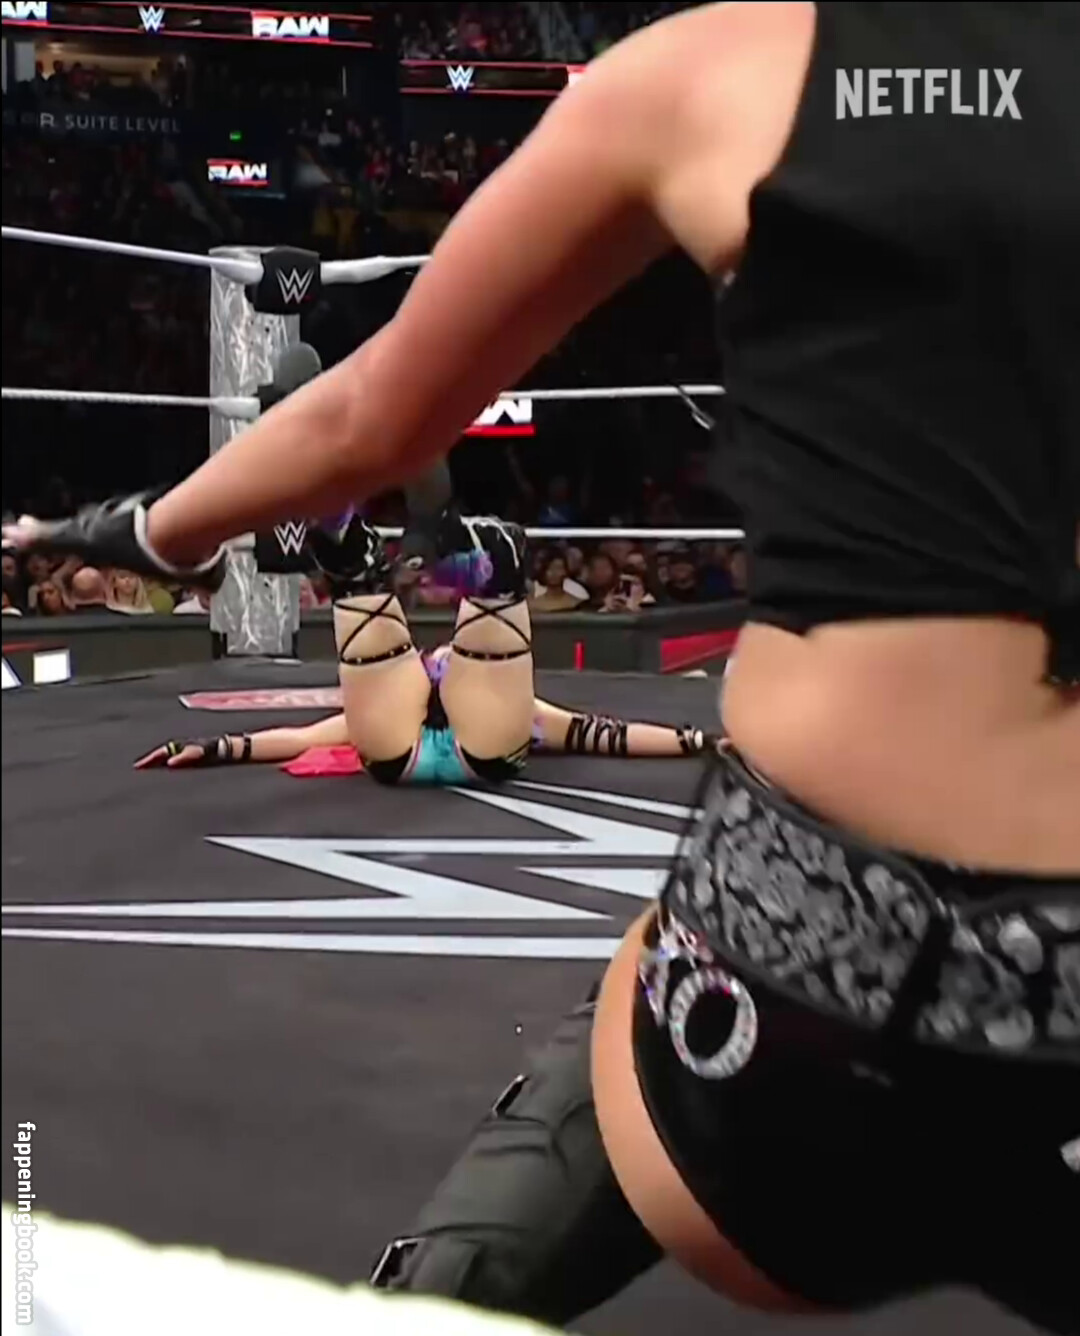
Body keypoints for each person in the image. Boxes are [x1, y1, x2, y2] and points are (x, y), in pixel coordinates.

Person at [6, 3, 1078, 1332]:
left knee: (517, 1193)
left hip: (781, 978)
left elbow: (364, 418)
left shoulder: (717, 69)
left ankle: (434, 1291)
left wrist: (141, 532)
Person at [134, 514, 716, 779]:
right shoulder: (498, 703)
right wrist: (214, 749)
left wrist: (701, 742)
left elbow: (606, 734)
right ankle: (484, 571)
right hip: (464, 747)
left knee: (367, 603)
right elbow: (607, 735)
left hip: (409, 751)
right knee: (485, 616)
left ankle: (359, 561)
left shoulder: (503, 705)